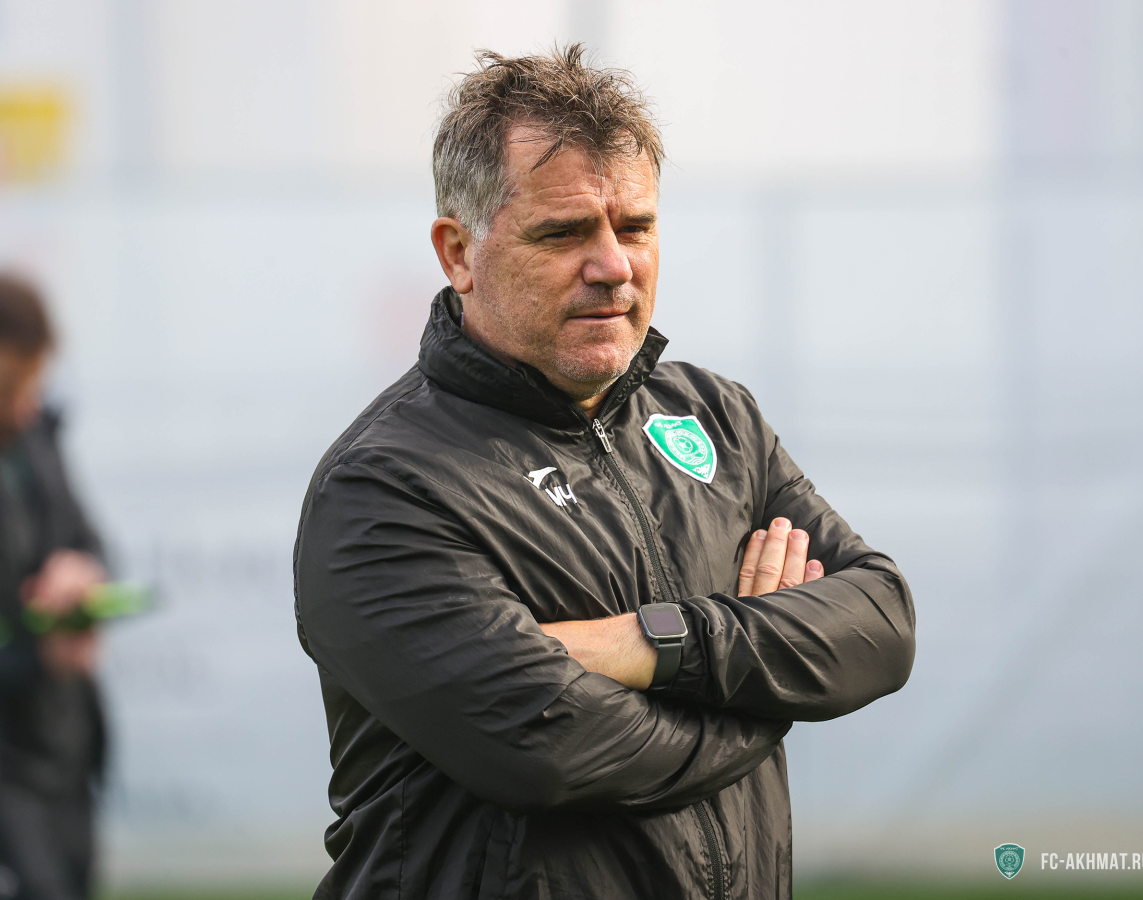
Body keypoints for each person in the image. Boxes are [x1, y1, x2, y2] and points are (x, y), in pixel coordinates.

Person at [294, 45, 915, 899]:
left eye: (636, 227)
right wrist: (770, 694)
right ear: (458, 253)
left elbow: (881, 621)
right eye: (564, 233)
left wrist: (654, 642)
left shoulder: (715, 416)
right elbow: (548, 748)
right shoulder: (384, 487)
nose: (614, 266)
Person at [0, 273, 107, 900]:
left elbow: (91, 544)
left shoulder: (37, 439)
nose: (24, 403)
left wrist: (81, 574)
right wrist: (36, 656)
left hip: (64, 758)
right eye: (8, 386)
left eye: (33, 384)